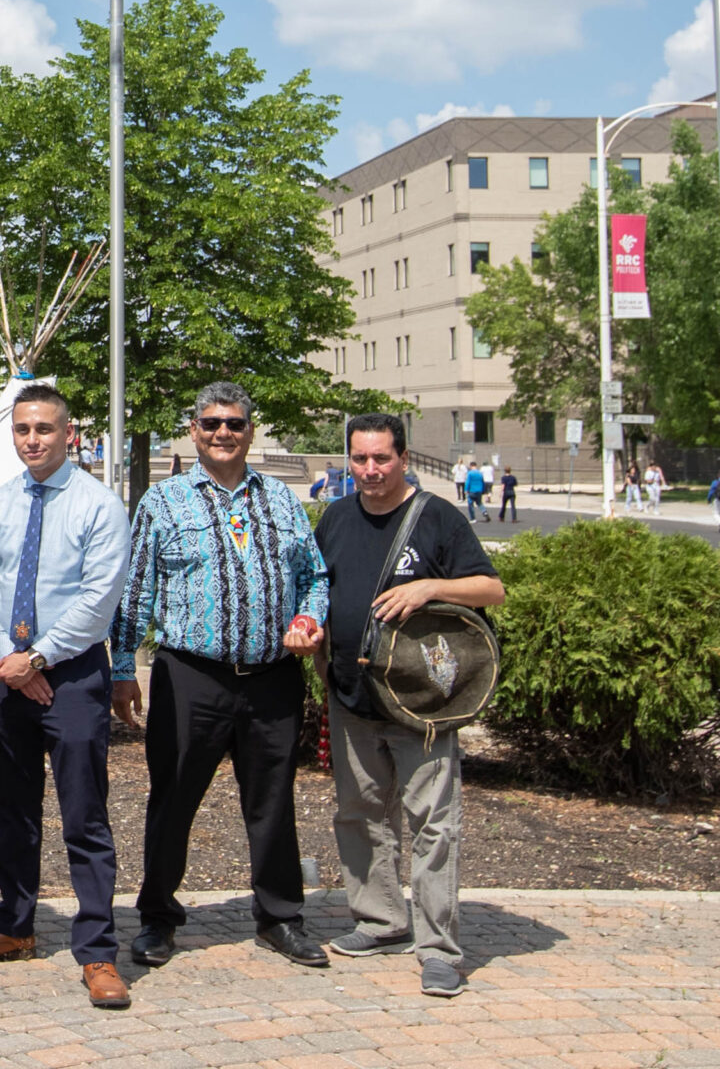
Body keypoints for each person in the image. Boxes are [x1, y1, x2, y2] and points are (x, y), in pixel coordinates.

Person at [112, 381, 331, 971]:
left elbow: (314, 577)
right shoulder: (163, 502)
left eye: (234, 423)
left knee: (273, 803)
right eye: (211, 423)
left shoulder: (281, 499)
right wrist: (122, 670)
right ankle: (158, 917)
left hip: (272, 679)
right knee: (173, 800)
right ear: (193, 431)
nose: (223, 433)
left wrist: (308, 617)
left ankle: (280, 918)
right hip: (191, 678)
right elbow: (135, 592)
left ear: (250, 431)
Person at [0, 388, 134, 1010]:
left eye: (45, 429)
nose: (32, 439)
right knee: (14, 808)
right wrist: (11, 658)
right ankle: (14, 926)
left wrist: (40, 658)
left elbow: (99, 598)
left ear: (68, 433)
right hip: (5, 673)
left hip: (71, 677)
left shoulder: (100, 505)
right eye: (23, 429)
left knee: (84, 814)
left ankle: (98, 950)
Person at [315, 414, 505, 999]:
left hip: (421, 707)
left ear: (403, 458)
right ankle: (381, 922)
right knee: (360, 815)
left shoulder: (437, 517)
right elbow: (318, 589)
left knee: (434, 826)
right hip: (352, 697)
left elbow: (491, 589)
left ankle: (439, 950)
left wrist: (430, 587)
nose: (371, 470)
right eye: (360, 459)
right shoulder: (336, 518)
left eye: (382, 458)